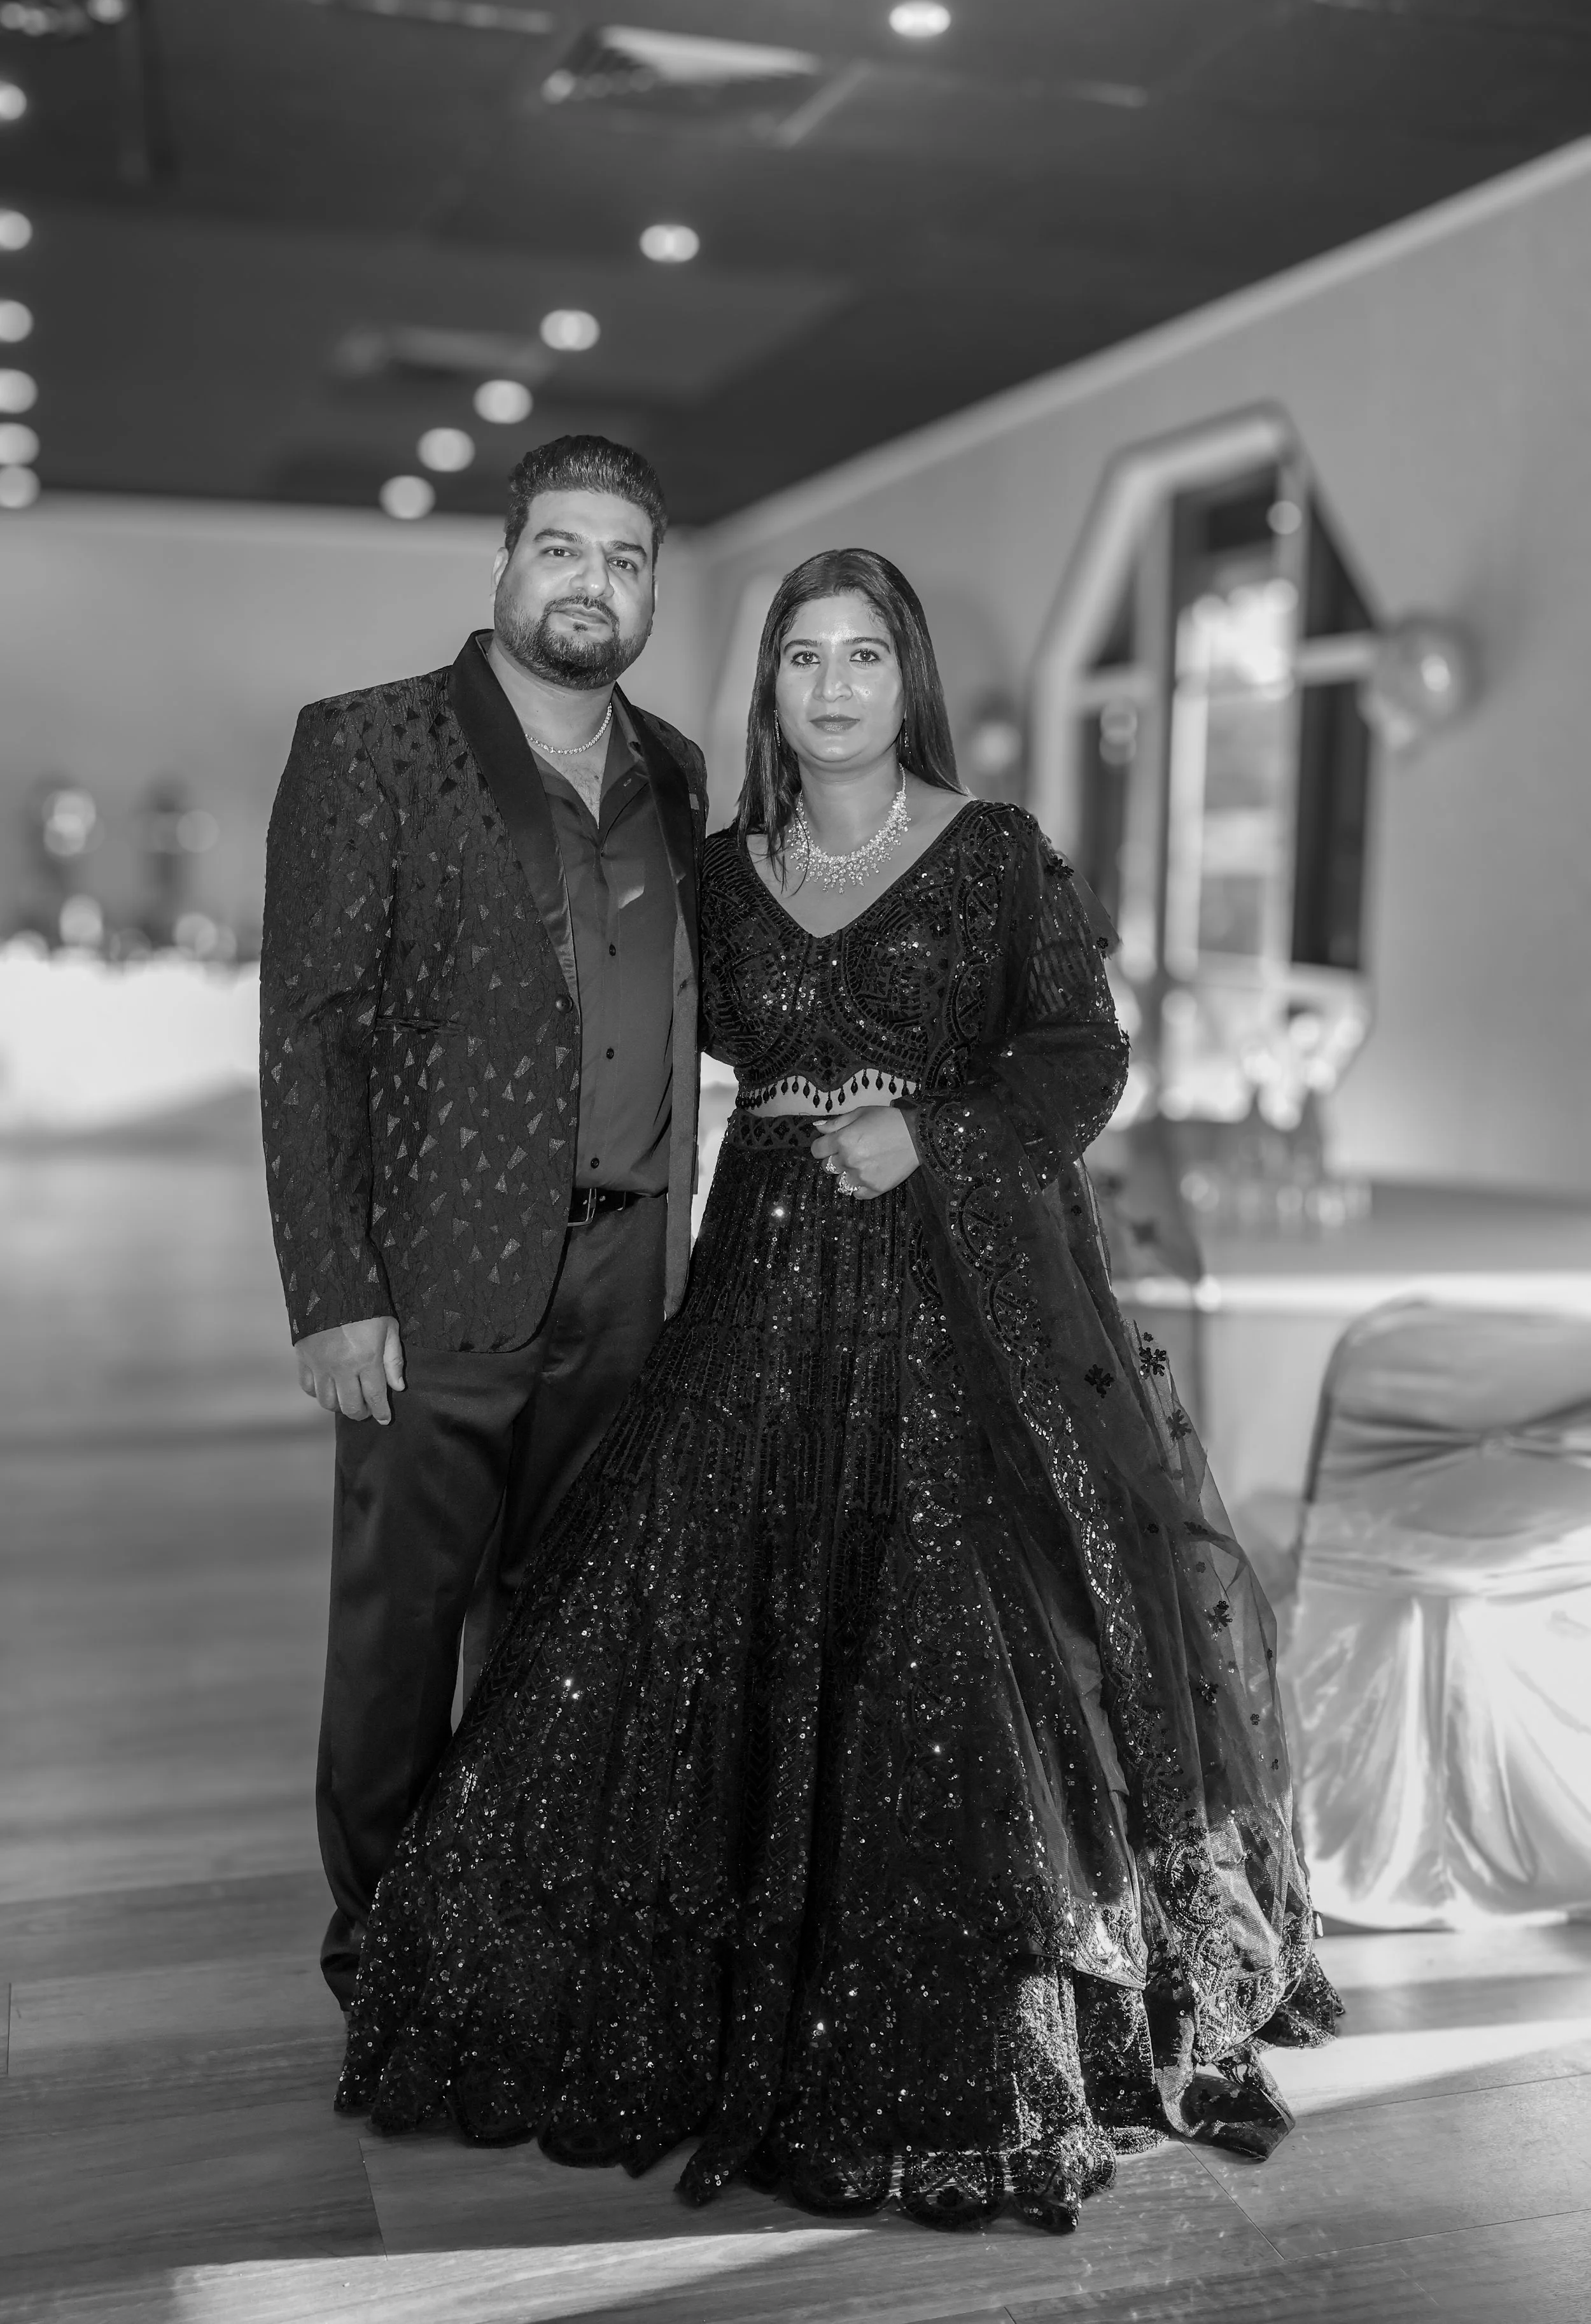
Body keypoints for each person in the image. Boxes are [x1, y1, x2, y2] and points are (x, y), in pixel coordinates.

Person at [335, 548, 1339, 2232]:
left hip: (961, 1298)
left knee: (955, 1628)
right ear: (772, 688)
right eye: (804, 654)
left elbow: (1078, 1057)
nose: (833, 682)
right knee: (657, 1614)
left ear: (907, 677)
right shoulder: (719, 872)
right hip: (758, 1283)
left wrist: (929, 1132)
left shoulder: (994, 852)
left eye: (864, 653)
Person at [259, 435, 708, 2012]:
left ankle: (517, 1914)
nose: (594, 582)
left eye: (627, 559)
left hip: (625, 1277)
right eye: (564, 550)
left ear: (650, 590)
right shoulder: (369, 744)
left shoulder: (678, 772)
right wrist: (331, 1291)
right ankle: (379, 1951)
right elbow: (308, 1031)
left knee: (566, 1623)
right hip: (434, 1274)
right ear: (506, 567)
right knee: (401, 1628)